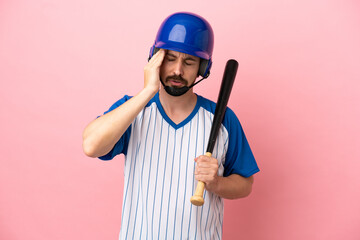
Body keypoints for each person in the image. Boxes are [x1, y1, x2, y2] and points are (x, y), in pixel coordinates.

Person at [82, 12, 259, 240]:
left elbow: (245, 184)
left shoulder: (222, 118)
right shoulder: (133, 110)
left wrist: (216, 183)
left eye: (189, 62)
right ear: (156, 59)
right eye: (170, 58)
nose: (177, 70)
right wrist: (147, 91)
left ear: (202, 68)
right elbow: (91, 146)